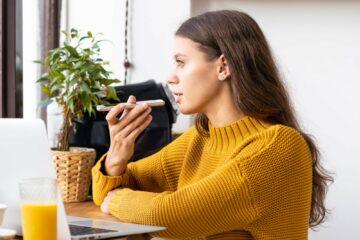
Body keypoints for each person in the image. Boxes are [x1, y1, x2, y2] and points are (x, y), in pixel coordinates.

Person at [91, 10, 333, 239]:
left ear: (223, 66)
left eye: (181, 62)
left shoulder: (279, 146)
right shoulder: (200, 137)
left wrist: (117, 200)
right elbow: (106, 194)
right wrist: (115, 158)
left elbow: (169, 216)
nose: (170, 77)